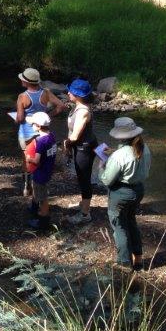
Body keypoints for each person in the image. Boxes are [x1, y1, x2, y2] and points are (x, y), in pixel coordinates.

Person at [99, 117, 152, 271]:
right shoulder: (144, 148)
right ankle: (138, 259)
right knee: (131, 222)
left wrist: (102, 165)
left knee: (119, 226)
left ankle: (124, 263)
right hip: (138, 191)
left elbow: (107, 180)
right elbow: (130, 157)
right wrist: (114, 153)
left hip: (121, 193)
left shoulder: (118, 156)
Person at [15, 68, 66, 196]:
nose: (21, 79)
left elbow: (20, 118)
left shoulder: (22, 97)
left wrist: (15, 118)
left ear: (27, 82)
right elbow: (61, 106)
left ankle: (27, 188)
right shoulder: (46, 93)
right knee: (40, 158)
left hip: (26, 132)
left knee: (26, 159)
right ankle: (39, 185)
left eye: (23, 78)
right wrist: (48, 115)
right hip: (40, 132)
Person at [63, 79, 98, 225]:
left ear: (78, 95)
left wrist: (65, 143)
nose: (68, 92)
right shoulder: (78, 106)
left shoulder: (83, 111)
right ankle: (84, 204)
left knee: (84, 179)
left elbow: (75, 136)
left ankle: (85, 214)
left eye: (71, 91)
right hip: (82, 146)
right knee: (81, 177)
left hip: (84, 148)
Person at [24, 112, 57, 231]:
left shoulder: (41, 142)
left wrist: (29, 158)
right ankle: (34, 207)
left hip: (41, 173)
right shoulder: (51, 136)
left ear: (38, 126)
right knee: (37, 190)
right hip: (48, 170)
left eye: (32, 124)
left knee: (43, 198)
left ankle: (43, 221)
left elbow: (36, 161)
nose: (31, 125)